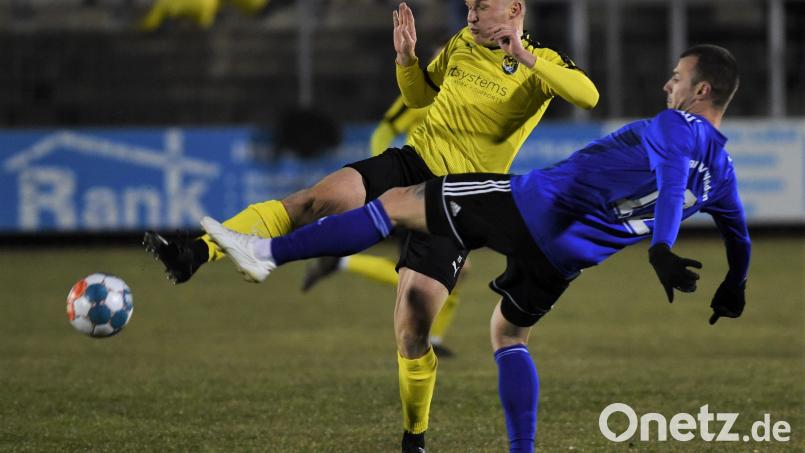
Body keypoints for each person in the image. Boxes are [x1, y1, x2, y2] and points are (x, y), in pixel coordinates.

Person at [200, 44, 750, 452]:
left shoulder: (678, 127)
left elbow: (673, 176)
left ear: (700, 90)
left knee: (395, 202)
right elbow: (738, 236)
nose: (667, 86)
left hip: (532, 205)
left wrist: (661, 248)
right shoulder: (723, 172)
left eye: (676, 78)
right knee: (509, 336)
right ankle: (522, 450)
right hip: (569, 257)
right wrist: (734, 286)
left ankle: (265, 254)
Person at [144, 2, 599, 450]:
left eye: (480, 6)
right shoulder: (462, 42)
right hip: (411, 162)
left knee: (412, 327)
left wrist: (524, 55)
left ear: (515, 8)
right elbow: (421, 96)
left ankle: (414, 437)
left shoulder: (542, 60)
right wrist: (407, 60)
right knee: (315, 199)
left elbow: (588, 96)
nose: (471, 14)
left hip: (459, 198)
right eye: (468, 6)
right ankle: (196, 252)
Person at [302, 90, 465, 357]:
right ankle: (428, 339)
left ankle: (342, 262)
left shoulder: (471, 93)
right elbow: (383, 132)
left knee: (440, 272)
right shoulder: (423, 93)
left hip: (448, 193)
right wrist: (394, 178)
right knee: (427, 271)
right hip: (419, 191)